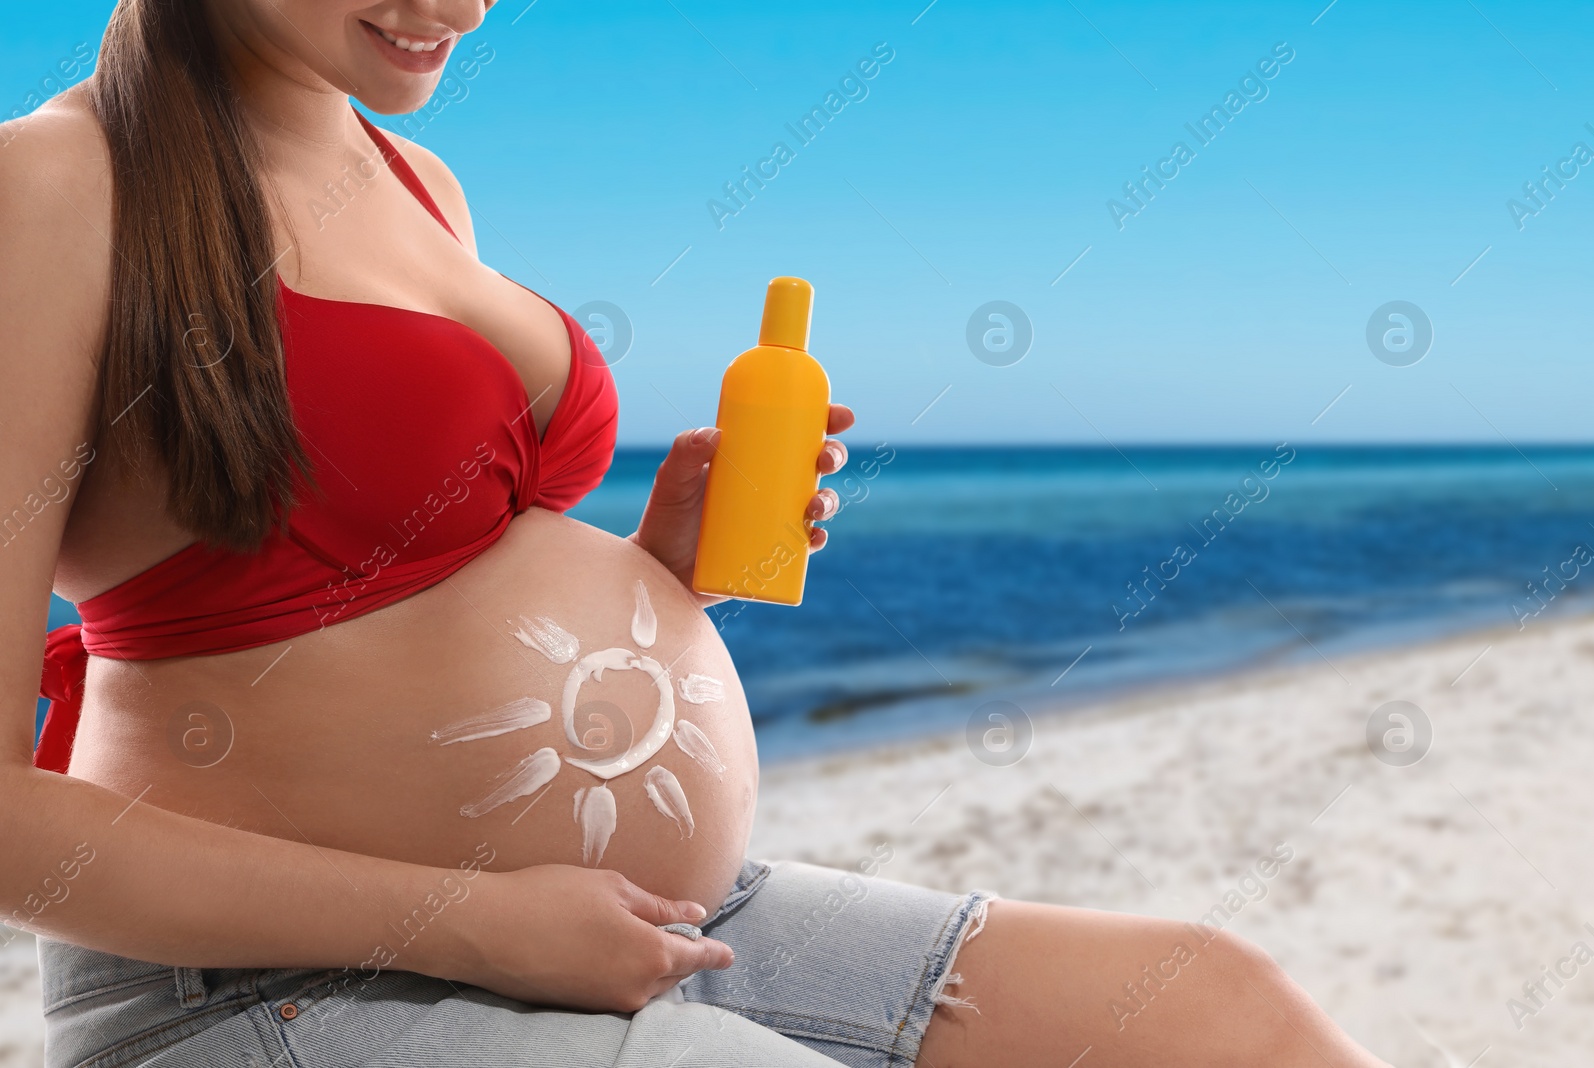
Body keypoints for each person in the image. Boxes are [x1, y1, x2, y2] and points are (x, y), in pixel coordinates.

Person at [0, 1, 1393, 1065]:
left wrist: (654, 578)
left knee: (1217, 1012)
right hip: (272, 984)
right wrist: (473, 921)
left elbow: (396, 588)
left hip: (605, 922)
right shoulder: (54, 190)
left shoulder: (416, 179)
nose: (465, 6)